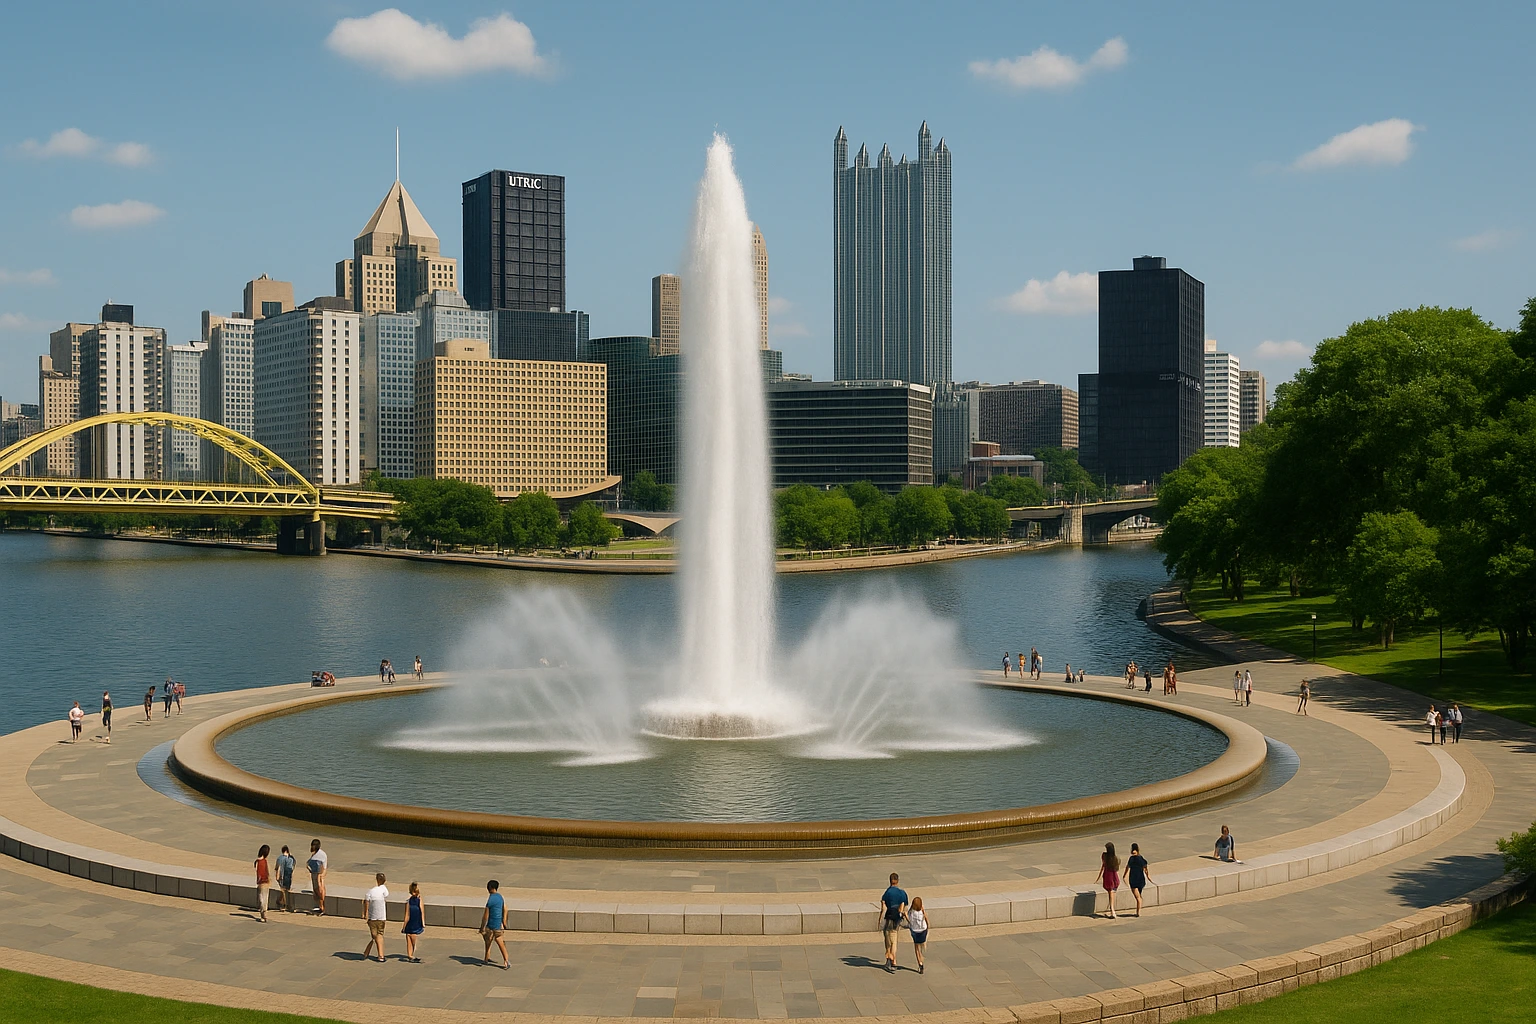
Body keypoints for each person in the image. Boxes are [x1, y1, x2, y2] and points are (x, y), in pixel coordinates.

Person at [879, 872, 909, 973]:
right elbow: (905, 908)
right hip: (897, 918)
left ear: (890, 881)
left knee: (887, 937)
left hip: (889, 917)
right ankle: (894, 961)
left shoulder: (887, 893)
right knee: (895, 938)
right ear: (898, 881)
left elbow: (883, 908)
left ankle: (889, 957)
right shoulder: (902, 893)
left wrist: (879, 920)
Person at [481, 879, 509, 968]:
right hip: (498, 924)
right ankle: (505, 960)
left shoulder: (490, 900)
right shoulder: (500, 897)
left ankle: (487, 959)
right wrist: (504, 921)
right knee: (499, 942)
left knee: (489, 940)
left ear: (490, 888)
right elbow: (505, 909)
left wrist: (482, 927)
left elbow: (485, 916)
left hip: (491, 925)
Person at [362, 873, 389, 962]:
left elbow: (366, 901)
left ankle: (375, 954)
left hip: (372, 917)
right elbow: (386, 895)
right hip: (381, 917)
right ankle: (379, 955)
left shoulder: (371, 891)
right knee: (378, 935)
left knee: (376, 936)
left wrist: (365, 913)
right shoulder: (383, 889)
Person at [1094, 842, 1122, 919]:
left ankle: (1112, 910)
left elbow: (1103, 865)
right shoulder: (1115, 858)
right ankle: (1112, 910)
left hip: (1107, 875)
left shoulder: (1104, 856)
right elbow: (1116, 868)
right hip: (1113, 875)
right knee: (1112, 892)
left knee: (1110, 892)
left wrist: (1098, 877)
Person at [1125, 843, 1152, 917]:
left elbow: (1127, 867)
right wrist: (1148, 876)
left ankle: (1138, 912)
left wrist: (1124, 876)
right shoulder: (1141, 858)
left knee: (1138, 897)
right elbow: (1145, 868)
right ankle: (1138, 910)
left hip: (1133, 879)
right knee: (1139, 895)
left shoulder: (1131, 858)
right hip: (1141, 879)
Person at [403, 881, 425, 962]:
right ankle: (410, 954)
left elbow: (422, 911)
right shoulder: (409, 901)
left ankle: (411, 951)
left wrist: (423, 922)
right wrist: (404, 925)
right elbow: (407, 914)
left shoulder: (419, 900)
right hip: (411, 920)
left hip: (416, 920)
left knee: (413, 935)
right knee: (409, 935)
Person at [906, 895, 928, 974]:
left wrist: (905, 915)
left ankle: (920, 963)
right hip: (923, 930)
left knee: (916, 948)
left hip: (915, 931)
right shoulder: (921, 912)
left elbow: (910, 922)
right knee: (921, 944)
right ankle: (923, 945)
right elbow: (926, 918)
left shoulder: (912, 912)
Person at [307, 839, 328, 915]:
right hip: (315, 873)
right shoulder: (315, 854)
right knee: (316, 890)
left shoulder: (321, 854)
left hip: (318, 874)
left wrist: (321, 875)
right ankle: (320, 906)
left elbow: (324, 866)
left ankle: (322, 907)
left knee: (319, 890)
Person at [275, 845, 296, 912]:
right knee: (286, 890)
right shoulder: (291, 859)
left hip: (282, 876)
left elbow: (277, 867)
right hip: (288, 876)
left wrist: (277, 876)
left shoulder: (279, 858)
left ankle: (282, 903)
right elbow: (292, 868)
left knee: (283, 890)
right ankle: (285, 904)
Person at [254, 845, 272, 923]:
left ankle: (263, 914)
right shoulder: (263, 861)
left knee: (262, 898)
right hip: (264, 881)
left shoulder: (258, 861)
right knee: (264, 898)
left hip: (262, 882)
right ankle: (264, 913)